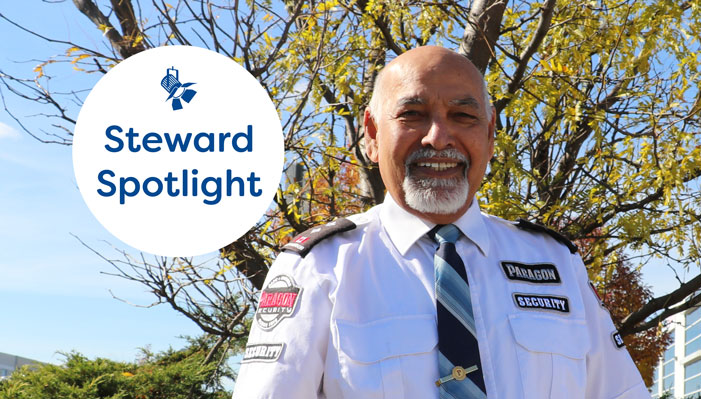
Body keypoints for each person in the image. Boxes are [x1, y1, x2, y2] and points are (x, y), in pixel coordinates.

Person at [233, 46, 650, 399]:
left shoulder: (557, 264)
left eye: (463, 116)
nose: (438, 136)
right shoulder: (319, 266)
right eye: (412, 113)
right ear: (372, 135)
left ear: (489, 135)